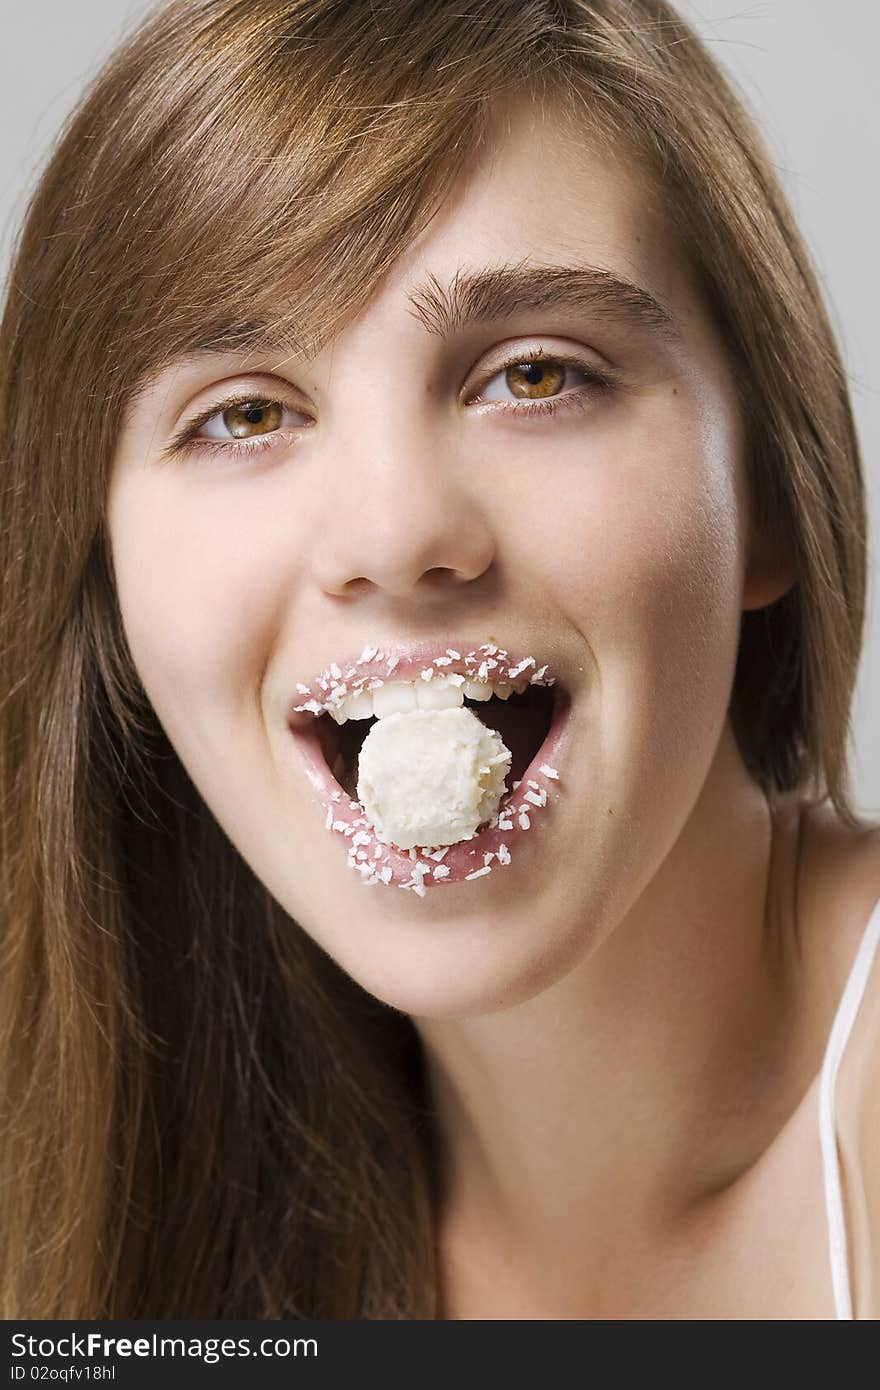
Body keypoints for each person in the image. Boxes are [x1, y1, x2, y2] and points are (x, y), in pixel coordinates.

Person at [0, 0, 877, 1321]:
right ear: (107, 579)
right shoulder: (125, 1216)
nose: (394, 534)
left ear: (762, 489)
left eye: (534, 376)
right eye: (244, 412)